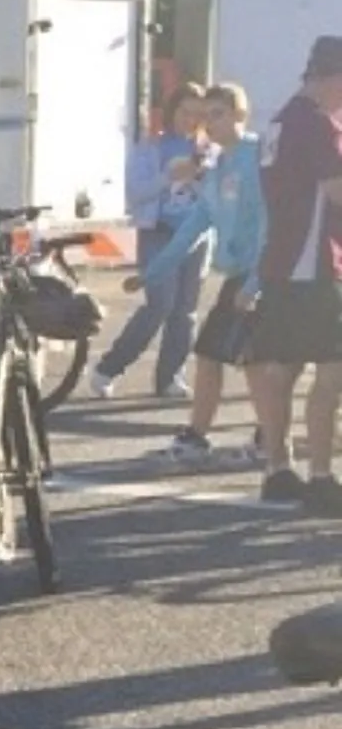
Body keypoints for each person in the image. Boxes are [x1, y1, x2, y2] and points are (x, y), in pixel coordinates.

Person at [125, 83, 268, 467]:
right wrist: (152, 272)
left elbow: (272, 224)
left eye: (217, 114)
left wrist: (256, 283)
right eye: (205, 116)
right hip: (238, 276)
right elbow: (194, 226)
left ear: (240, 115)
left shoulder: (258, 159)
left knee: (254, 361)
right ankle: (200, 437)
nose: (209, 123)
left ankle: (268, 438)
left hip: (262, 275)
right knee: (213, 354)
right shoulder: (218, 166)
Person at [248, 36, 342, 514]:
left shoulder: (280, 121)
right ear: (331, 77)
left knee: (281, 368)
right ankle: (322, 475)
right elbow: (336, 192)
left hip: (281, 259)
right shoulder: (318, 124)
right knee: (331, 368)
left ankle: (277, 468)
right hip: (316, 262)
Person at [89, 83, 212, 400]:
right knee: (160, 304)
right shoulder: (150, 148)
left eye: (197, 114)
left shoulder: (208, 149)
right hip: (158, 231)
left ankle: (170, 377)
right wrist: (169, 177)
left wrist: (199, 178)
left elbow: (217, 197)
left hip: (196, 236)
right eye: (185, 112)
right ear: (172, 111)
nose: (190, 120)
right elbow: (136, 193)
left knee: (185, 311)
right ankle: (108, 368)